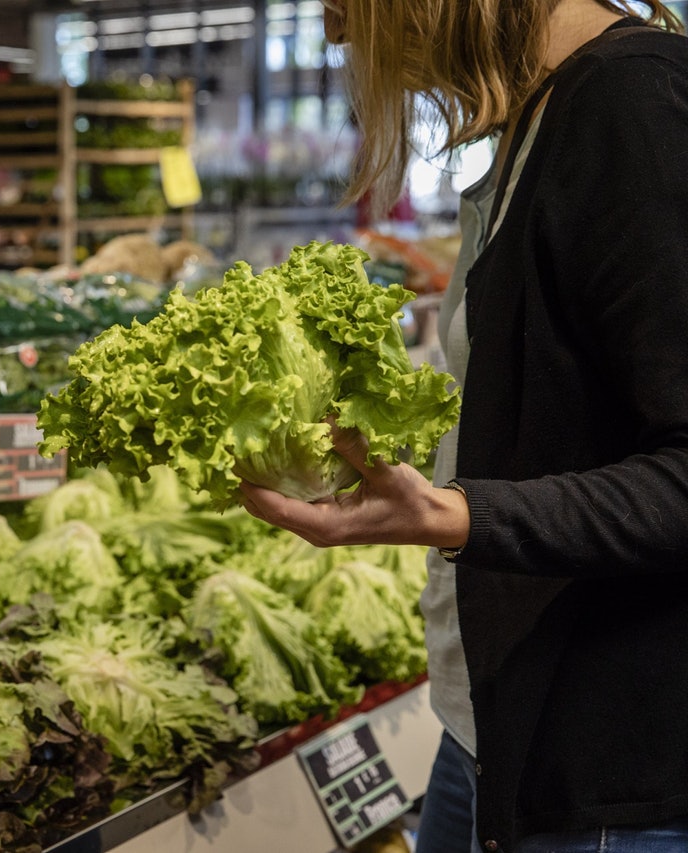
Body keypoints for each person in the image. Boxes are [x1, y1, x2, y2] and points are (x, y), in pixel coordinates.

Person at [239, 2, 688, 852]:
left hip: (596, 775)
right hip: (488, 717)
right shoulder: (541, 115)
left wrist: (451, 514)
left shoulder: (633, 105)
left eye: (342, 4)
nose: (337, 33)